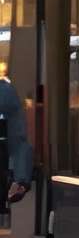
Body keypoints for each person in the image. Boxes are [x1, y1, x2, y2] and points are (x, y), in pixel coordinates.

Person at [0, 69, 33, 217]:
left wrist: (20, 179)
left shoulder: (5, 94)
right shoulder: (5, 92)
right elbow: (18, 141)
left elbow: (18, 141)